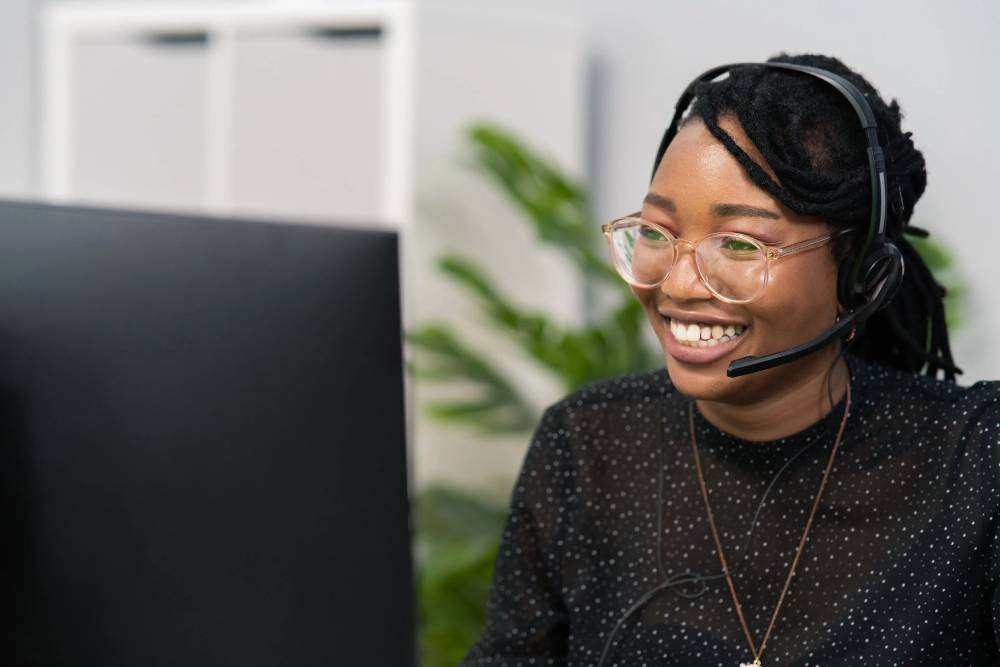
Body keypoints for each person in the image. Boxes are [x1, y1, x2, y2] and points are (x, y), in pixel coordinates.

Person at [459, 52, 1000, 666]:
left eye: (740, 244)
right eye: (658, 233)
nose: (681, 284)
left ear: (858, 275)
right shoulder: (588, 447)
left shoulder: (977, 463)